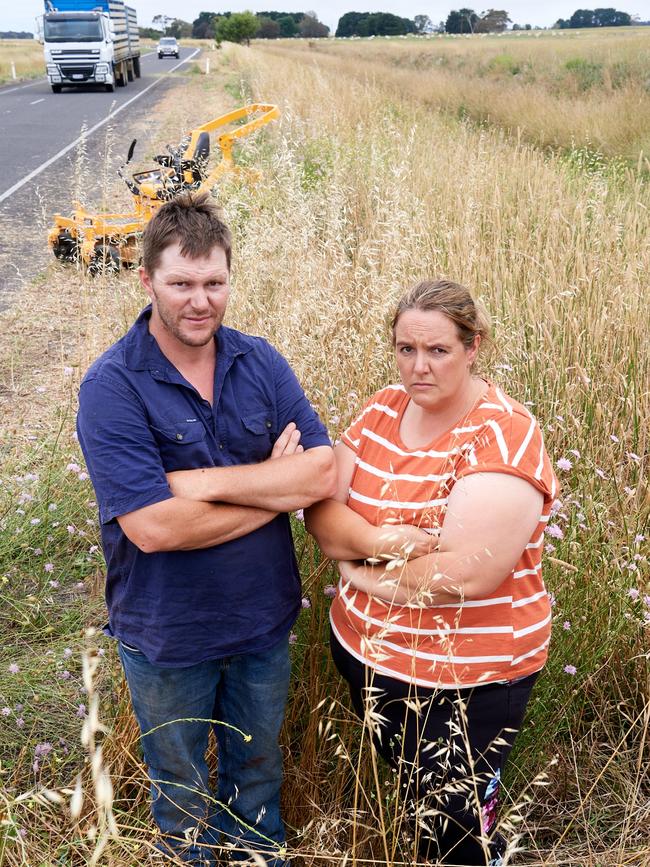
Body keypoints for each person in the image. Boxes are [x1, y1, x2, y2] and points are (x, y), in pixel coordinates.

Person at [76, 192, 336, 866]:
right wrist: (271, 490)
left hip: (261, 621)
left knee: (257, 784)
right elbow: (155, 528)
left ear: (229, 279)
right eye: (182, 283)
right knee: (183, 797)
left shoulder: (259, 361)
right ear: (147, 280)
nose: (200, 300)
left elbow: (321, 472)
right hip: (169, 634)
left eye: (214, 282)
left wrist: (207, 483)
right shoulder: (112, 385)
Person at [306, 279, 557, 866]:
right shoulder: (381, 409)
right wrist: (381, 542)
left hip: (464, 679)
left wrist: (359, 572)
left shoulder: (503, 436)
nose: (418, 367)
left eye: (438, 351)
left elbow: (467, 574)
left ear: (473, 348)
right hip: (369, 655)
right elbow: (321, 509)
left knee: (459, 833)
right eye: (405, 349)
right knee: (416, 806)